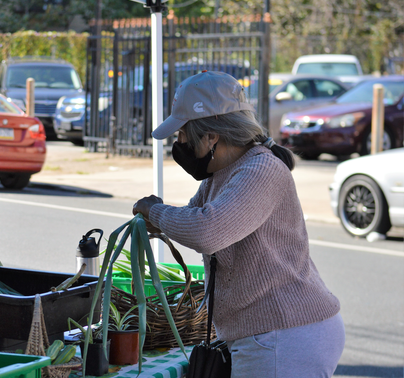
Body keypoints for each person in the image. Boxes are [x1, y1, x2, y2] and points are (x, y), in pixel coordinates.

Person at [133, 71, 344, 377]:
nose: (178, 144)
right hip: (268, 334)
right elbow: (193, 218)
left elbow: (207, 231)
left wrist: (156, 211)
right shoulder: (223, 174)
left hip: (283, 336)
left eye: (182, 135)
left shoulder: (261, 170)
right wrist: (159, 220)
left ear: (211, 137)